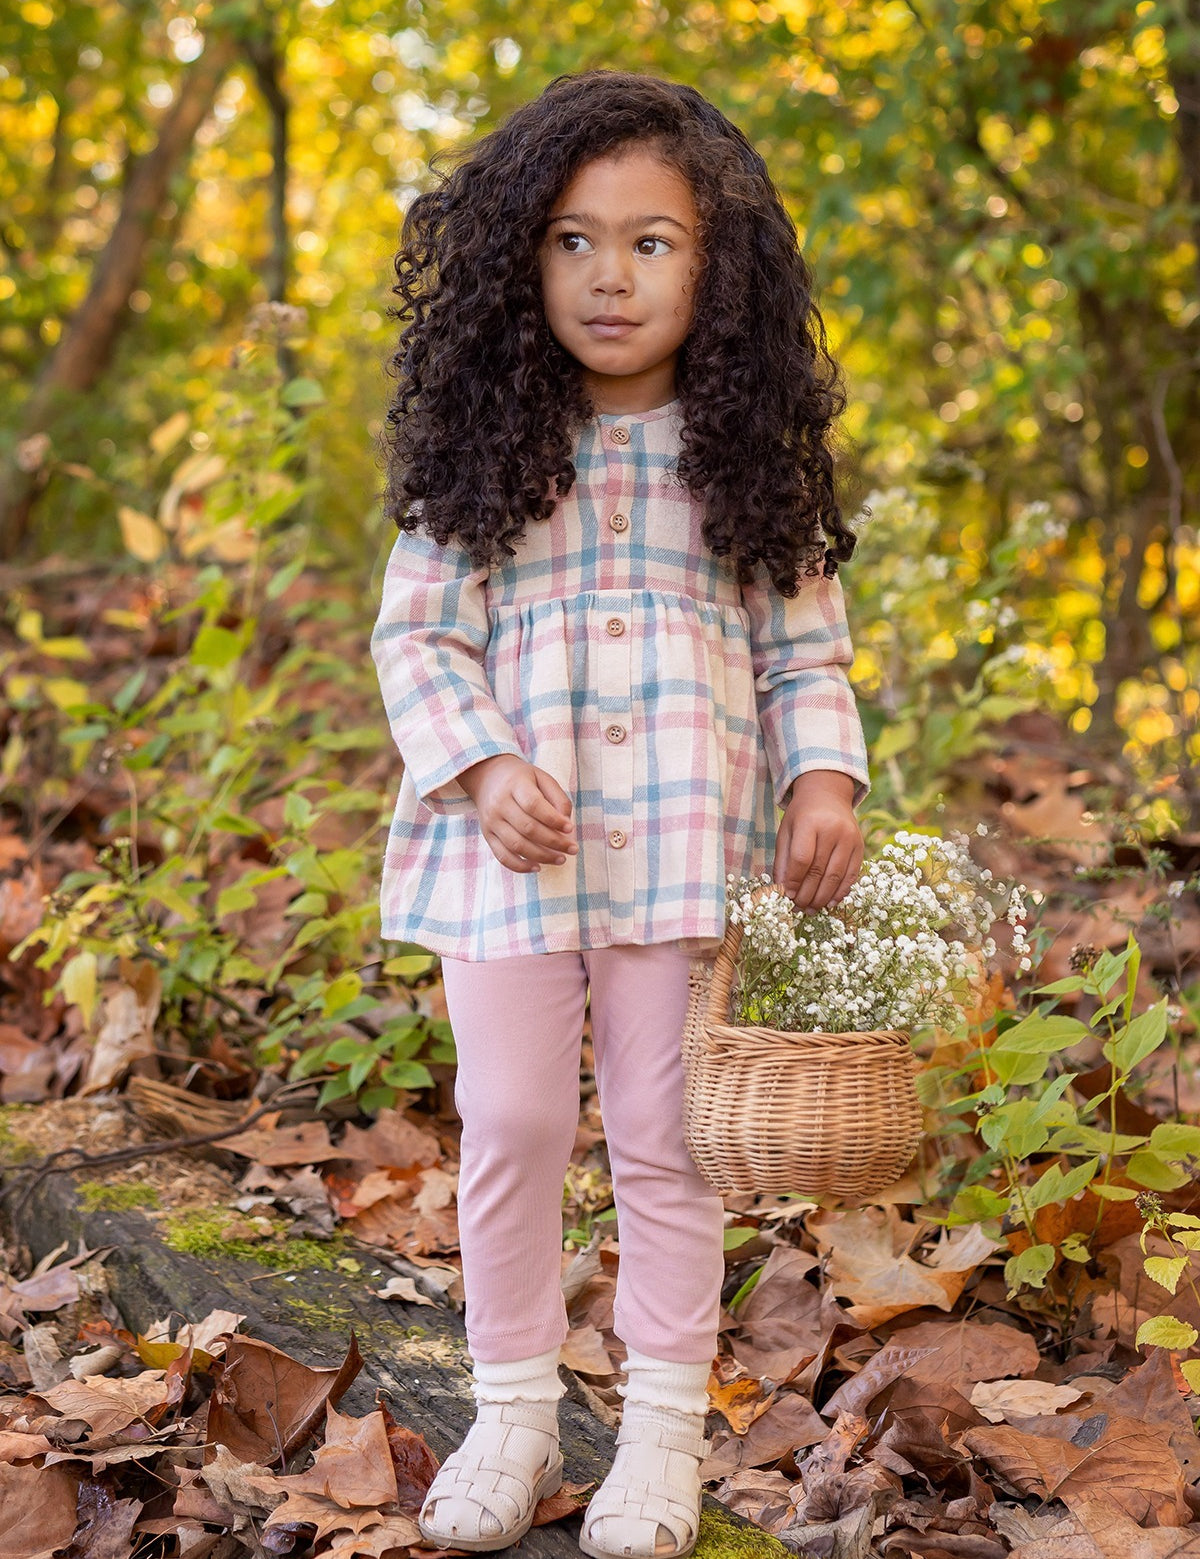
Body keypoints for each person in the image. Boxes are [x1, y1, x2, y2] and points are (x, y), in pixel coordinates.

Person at [370, 68, 871, 1559]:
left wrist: (821, 778)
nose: (610, 274)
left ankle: (660, 1432)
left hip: (682, 855)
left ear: (716, 270)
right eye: (575, 240)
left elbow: (806, 653)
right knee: (515, 1122)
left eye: (652, 242)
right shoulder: (484, 453)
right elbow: (417, 637)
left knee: (665, 1138)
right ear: (523, 259)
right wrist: (478, 762)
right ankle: (515, 1408)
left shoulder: (744, 461)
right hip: (507, 855)